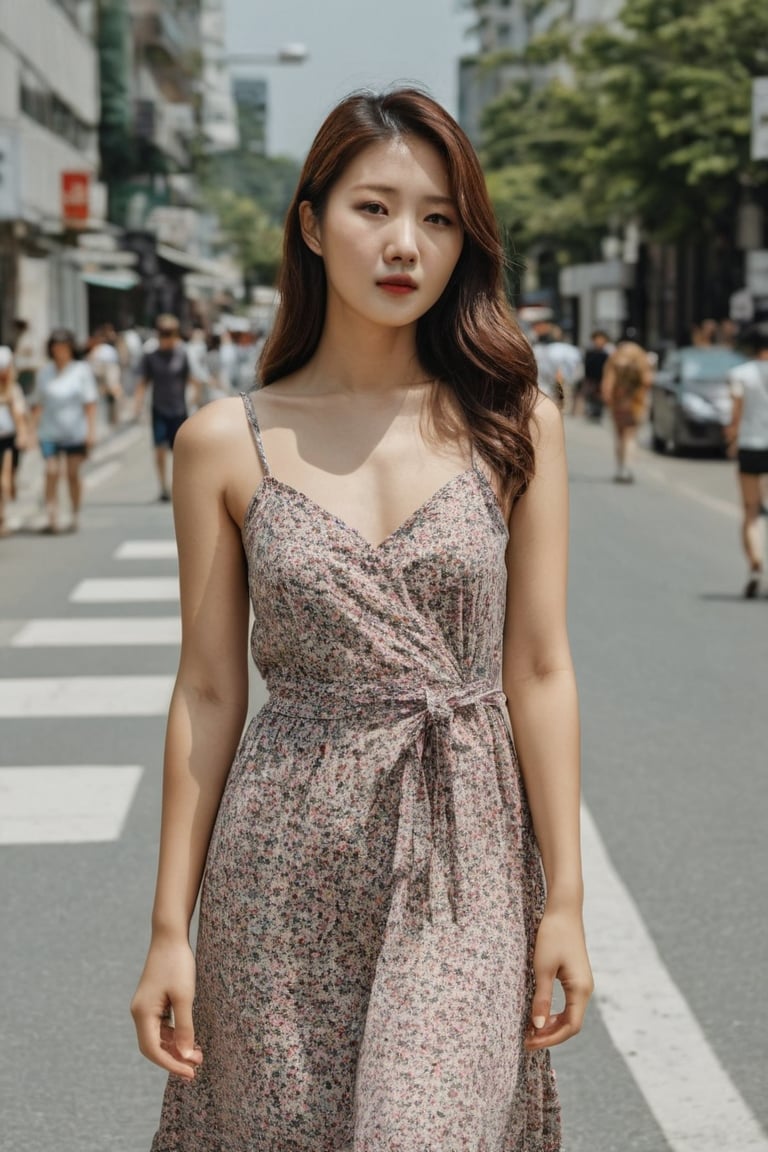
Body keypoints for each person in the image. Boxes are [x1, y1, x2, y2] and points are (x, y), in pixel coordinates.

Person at [130, 87, 592, 1152]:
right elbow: (207, 689)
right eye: (373, 209)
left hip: (465, 847)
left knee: (419, 1131)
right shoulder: (223, 441)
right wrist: (169, 929)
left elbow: (540, 668)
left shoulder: (517, 425)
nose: (405, 244)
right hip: (282, 858)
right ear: (309, 221)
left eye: (437, 219)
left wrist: (563, 897)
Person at [29, 328, 98, 533]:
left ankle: (75, 512)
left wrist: (91, 431)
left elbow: (90, 403)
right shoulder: (45, 372)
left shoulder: (81, 370)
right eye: (56, 347)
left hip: (75, 431)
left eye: (64, 347)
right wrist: (31, 431)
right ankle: (52, 516)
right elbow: (38, 404)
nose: (60, 351)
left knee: (72, 474)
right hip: (49, 431)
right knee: (51, 472)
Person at [132, 314, 199, 501]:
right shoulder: (151, 356)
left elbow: (192, 378)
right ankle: (163, 487)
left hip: (179, 409)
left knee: (179, 451)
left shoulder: (183, 354)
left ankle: (182, 485)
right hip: (159, 409)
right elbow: (143, 382)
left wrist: (196, 396)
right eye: (163, 333)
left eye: (170, 333)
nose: (166, 337)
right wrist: (136, 405)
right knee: (159, 449)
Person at [725, 325, 768, 598]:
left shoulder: (740, 374)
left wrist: (731, 440)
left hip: (751, 445)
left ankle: (755, 564)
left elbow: (736, 415)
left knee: (751, 512)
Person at [601, 338, 653, 483]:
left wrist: (609, 400)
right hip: (637, 401)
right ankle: (628, 467)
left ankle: (620, 468)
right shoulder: (641, 357)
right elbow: (648, 381)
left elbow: (607, 385)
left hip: (618, 401)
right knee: (630, 435)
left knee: (619, 435)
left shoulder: (615, 358)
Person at [0, 346, 29, 535]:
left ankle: (2, 517)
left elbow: (19, 416)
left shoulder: (13, 389)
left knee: (5, 480)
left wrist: (23, 434)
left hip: (8, 440)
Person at [581, 329, 612, 420]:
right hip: (591, 379)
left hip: (603, 379)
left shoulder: (608, 353)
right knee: (591, 397)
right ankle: (591, 412)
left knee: (600, 397)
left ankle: (599, 413)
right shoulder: (589, 352)